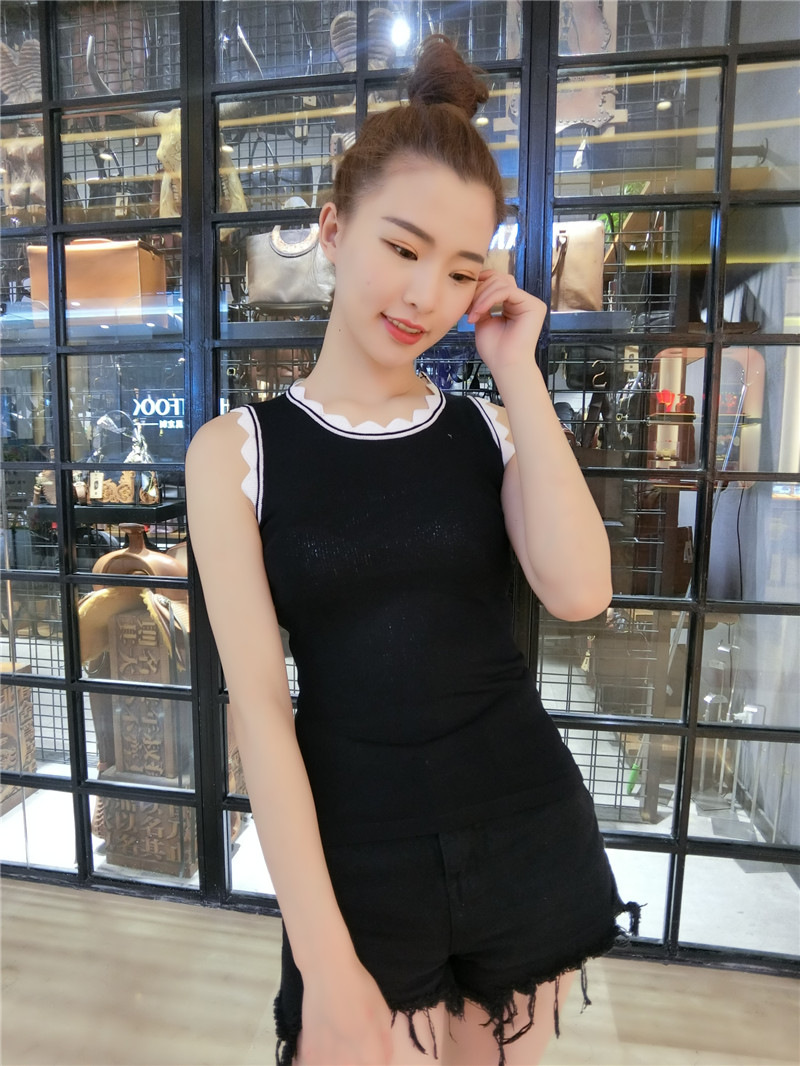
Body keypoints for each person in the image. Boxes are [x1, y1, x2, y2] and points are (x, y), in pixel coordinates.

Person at [186, 35, 639, 1066]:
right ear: (332, 229)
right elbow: (260, 714)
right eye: (402, 248)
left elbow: (579, 591)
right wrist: (326, 962)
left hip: (523, 830)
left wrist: (516, 370)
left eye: (460, 268)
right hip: (357, 860)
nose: (426, 294)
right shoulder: (237, 452)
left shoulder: (489, 427)